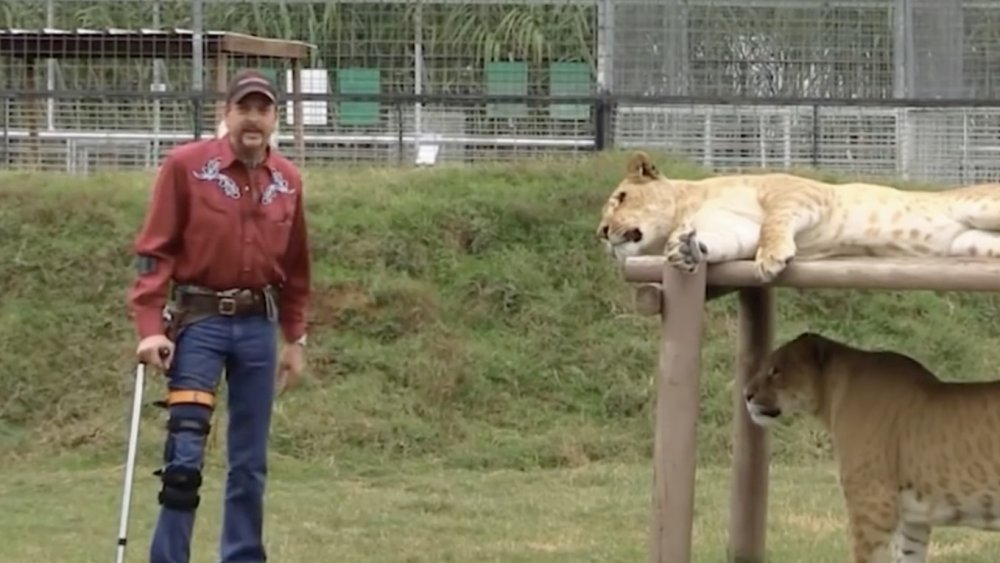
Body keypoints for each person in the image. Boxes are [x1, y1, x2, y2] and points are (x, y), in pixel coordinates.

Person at [127, 68, 312, 563]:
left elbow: (297, 267)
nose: (253, 119)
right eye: (243, 108)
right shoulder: (186, 167)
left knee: (250, 463)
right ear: (224, 114)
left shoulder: (288, 182)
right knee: (185, 456)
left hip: (258, 329)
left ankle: (242, 556)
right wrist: (148, 330)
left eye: (263, 109)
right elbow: (154, 252)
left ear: (276, 117)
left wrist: (295, 339)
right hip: (199, 324)